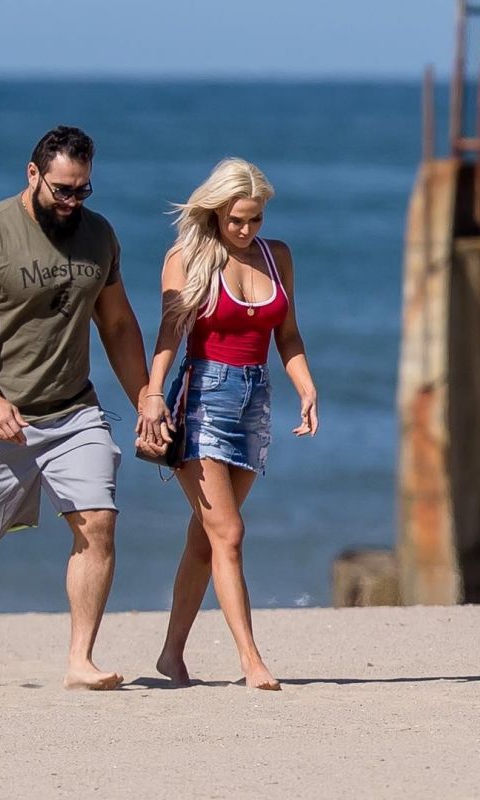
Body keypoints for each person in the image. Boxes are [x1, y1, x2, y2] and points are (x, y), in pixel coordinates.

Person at [0, 126, 150, 691]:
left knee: (98, 523)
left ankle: (81, 660)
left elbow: (119, 325)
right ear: (33, 175)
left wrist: (147, 400)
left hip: (74, 409)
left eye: (82, 191)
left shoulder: (99, 237)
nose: (72, 202)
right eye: (62, 190)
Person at [136, 158, 318, 690]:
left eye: (254, 219)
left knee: (206, 536)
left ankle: (171, 655)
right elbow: (169, 334)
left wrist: (305, 386)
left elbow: (287, 334)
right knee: (230, 533)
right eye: (235, 219)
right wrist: (152, 395)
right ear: (215, 212)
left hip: (254, 399)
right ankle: (250, 661)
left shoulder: (276, 255)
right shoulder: (187, 258)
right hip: (203, 398)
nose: (244, 229)